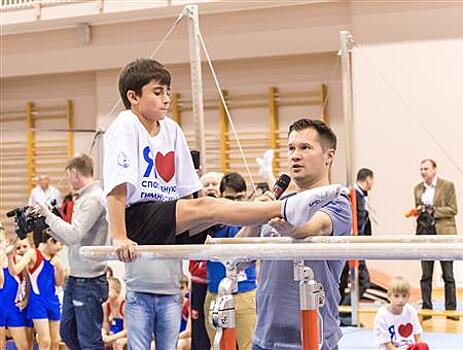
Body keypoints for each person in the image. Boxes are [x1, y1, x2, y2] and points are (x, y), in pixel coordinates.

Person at [103, 59, 341, 348]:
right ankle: (280, 208)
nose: (166, 98)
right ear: (133, 97)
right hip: (135, 218)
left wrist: (194, 234)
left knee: (207, 209)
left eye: (168, 91)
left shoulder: (171, 130)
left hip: (167, 219)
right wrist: (119, 235)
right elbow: (117, 186)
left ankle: (265, 208)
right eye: (157, 92)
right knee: (208, 207)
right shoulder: (126, 124)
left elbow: (189, 191)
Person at [238, 118, 352, 350]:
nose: (295, 155)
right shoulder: (279, 204)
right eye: (291, 148)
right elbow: (237, 258)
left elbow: (315, 227)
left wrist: (292, 230)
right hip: (264, 338)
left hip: (313, 339)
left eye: (305, 148)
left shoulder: (337, 200)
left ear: (328, 156)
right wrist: (254, 217)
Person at [37, 153, 109, 349]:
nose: (67, 180)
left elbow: (75, 234)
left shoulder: (92, 199)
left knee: (89, 340)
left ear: (73, 172)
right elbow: (70, 238)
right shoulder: (84, 198)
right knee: (67, 332)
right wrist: (48, 223)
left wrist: (49, 216)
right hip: (76, 278)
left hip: (89, 280)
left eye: (68, 175)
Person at [204, 172, 257, 350]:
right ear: (220, 197)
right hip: (215, 293)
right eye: (229, 198)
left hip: (244, 293)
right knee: (217, 346)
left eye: (239, 198)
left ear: (246, 196)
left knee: (248, 346)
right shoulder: (211, 221)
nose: (235, 203)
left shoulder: (252, 219)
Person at [413, 159, 458, 321]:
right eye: (421, 169)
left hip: (443, 234)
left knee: (448, 274)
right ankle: (426, 309)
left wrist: (433, 211)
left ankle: (451, 310)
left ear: (434, 170)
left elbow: (453, 209)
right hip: (425, 233)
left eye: (426, 168)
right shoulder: (418, 189)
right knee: (426, 275)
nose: (423, 171)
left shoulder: (448, 186)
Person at [6, 230, 64, 350]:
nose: (61, 249)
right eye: (59, 245)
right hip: (38, 302)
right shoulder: (33, 254)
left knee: (55, 341)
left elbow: (59, 283)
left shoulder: (56, 259)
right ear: (49, 241)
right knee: (45, 340)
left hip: (53, 301)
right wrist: (9, 257)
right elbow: (14, 271)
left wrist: (59, 269)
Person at [188, 172, 224, 350]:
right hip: (198, 281)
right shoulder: (195, 212)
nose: (210, 188)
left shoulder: (227, 213)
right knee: (200, 332)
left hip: (220, 282)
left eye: (215, 184)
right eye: (206, 184)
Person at [340, 168, 373, 305]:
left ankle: (340, 310)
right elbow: (356, 223)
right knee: (363, 281)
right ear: (368, 179)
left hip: (355, 243)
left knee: (341, 280)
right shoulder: (353, 196)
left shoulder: (361, 196)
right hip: (352, 243)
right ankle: (343, 310)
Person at [374, 277, 428, 350]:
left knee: (423, 346)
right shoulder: (382, 316)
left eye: (404, 296)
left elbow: (418, 337)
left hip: (408, 347)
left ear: (408, 296)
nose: (400, 300)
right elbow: (389, 346)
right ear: (389, 296)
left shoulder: (411, 311)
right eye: (396, 296)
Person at [102, 277, 127, 350]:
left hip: (128, 335)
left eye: (108, 290)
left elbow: (127, 332)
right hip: (114, 333)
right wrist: (103, 335)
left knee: (118, 342)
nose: (105, 294)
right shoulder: (106, 305)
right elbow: (105, 327)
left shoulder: (124, 306)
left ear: (117, 291)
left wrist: (111, 338)